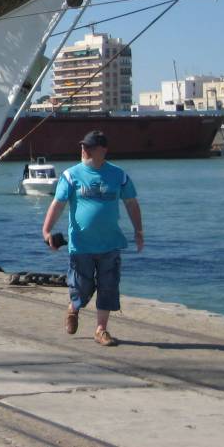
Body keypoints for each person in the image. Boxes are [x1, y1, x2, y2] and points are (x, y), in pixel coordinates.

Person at [42, 131, 144, 347]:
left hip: (110, 243)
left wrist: (138, 231)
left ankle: (101, 330)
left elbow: (132, 203)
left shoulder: (119, 175)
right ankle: (73, 308)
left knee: (108, 286)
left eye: (89, 147)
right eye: (83, 147)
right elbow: (58, 204)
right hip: (81, 245)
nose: (84, 150)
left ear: (103, 150)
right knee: (81, 287)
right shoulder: (71, 175)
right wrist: (47, 231)